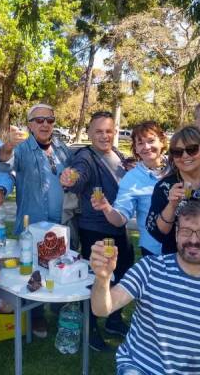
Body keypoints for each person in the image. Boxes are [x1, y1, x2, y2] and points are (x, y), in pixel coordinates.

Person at [90, 200, 200, 375]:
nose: (193, 240)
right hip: (138, 368)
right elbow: (102, 308)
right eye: (186, 231)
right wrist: (102, 278)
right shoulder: (150, 268)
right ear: (176, 234)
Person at [60, 111, 134, 351]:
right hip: (95, 230)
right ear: (90, 133)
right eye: (99, 131)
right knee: (95, 280)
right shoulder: (85, 157)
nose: (104, 136)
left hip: (119, 226)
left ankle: (114, 319)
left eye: (109, 131)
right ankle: (90, 328)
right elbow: (78, 177)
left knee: (123, 274)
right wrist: (70, 180)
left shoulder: (119, 155)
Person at [146, 125, 200, 271]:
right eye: (178, 152)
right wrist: (172, 205)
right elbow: (157, 233)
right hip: (178, 269)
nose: (185, 156)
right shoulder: (166, 186)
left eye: (191, 149)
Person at [91, 120, 167, 257]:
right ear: (136, 149)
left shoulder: (178, 166)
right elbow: (120, 219)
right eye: (140, 143)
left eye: (151, 140)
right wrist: (106, 208)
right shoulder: (131, 179)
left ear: (162, 141)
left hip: (188, 246)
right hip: (154, 250)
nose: (146, 147)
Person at [0, 103, 72, 234]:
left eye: (50, 120)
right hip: (33, 227)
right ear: (30, 125)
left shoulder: (61, 147)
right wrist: (8, 146)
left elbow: (74, 172)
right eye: (39, 120)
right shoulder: (21, 149)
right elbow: (5, 165)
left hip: (62, 226)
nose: (45, 124)